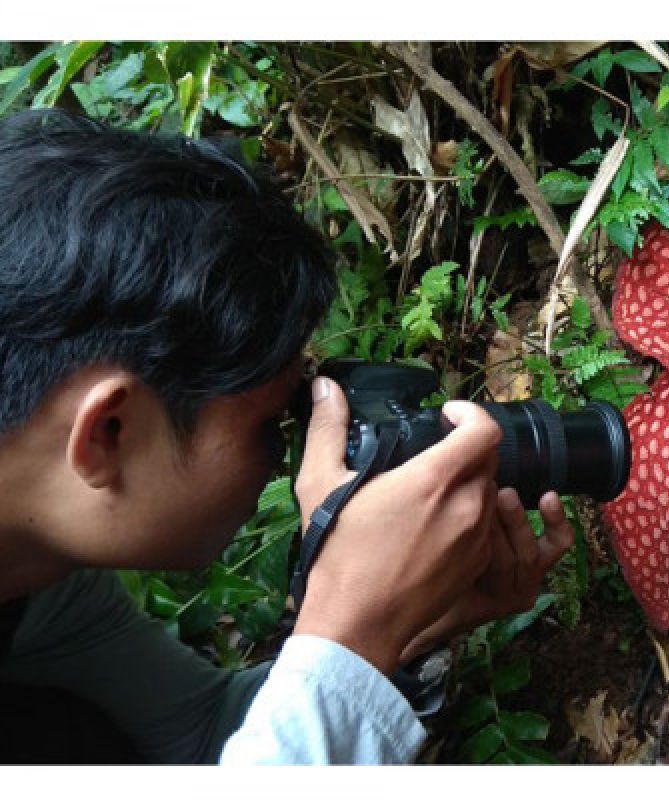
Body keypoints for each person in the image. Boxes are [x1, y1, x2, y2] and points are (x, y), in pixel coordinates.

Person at [0, 109, 573, 764]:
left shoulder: (37, 573)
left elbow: (199, 736)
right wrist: (351, 636)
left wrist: (394, 628)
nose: (291, 461)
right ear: (108, 432)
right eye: (272, 424)